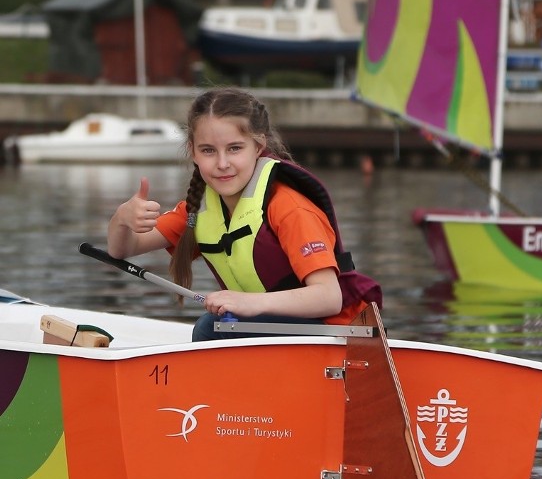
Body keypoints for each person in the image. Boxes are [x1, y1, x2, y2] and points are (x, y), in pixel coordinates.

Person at [107, 87, 382, 341]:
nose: (223, 163)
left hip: (334, 337)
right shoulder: (194, 212)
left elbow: (329, 297)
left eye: (235, 148)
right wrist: (122, 219)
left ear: (259, 146)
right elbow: (124, 249)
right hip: (274, 331)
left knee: (210, 328)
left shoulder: (289, 208)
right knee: (218, 325)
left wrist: (246, 302)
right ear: (193, 152)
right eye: (208, 151)